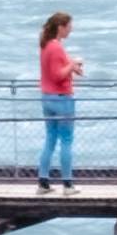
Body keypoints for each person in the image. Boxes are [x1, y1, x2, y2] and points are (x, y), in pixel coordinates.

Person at [35, 11, 80, 186]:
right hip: (62, 99)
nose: (71, 30)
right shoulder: (56, 47)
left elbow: (60, 66)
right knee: (66, 140)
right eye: (69, 26)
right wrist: (71, 65)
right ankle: (67, 182)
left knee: (51, 138)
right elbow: (58, 75)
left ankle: (43, 180)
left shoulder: (46, 45)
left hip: (47, 97)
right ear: (61, 27)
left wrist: (72, 66)